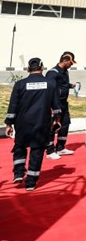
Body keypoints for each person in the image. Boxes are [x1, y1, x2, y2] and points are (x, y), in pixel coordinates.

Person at [4, 58, 62, 191]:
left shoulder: (20, 84)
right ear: (42, 67)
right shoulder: (50, 83)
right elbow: (56, 105)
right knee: (37, 150)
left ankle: (18, 173)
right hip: (41, 123)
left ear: (28, 68)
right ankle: (31, 182)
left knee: (20, 146)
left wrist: (9, 124)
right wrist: (57, 119)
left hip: (22, 123)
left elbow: (13, 105)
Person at [45, 51, 77, 160]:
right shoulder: (53, 73)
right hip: (54, 104)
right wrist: (51, 107)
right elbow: (49, 89)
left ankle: (60, 147)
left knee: (65, 123)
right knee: (53, 126)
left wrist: (71, 85)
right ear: (65, 61)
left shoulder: (65, 72)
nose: (71, 65)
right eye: (70, 63)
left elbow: (62, 85)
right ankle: (49, 150)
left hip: (64, 103)